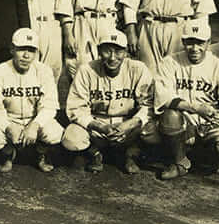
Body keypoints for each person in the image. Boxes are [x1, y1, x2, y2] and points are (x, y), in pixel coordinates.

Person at [145, 19, 219, 180]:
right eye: (190, 42)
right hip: (183, 119)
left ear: (208, 42)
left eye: (200, 43)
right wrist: (195, 108)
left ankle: (202, 154)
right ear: (183, 41)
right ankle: (180, 162)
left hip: (211, 122)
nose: (195, 48)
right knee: (162, 122)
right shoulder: (170, 62)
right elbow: (163, 98)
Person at [61, 30, 153, 174]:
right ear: (98, 51)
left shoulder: (138, 69)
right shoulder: (86, 70)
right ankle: (94, 152)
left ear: (126, 52)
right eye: (107, 51)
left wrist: (129, 125)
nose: (112, 57)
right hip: (97, 124)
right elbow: (76, 108)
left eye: (118, 51)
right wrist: (99, 127)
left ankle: (132, 153)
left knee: (155, 131)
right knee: (71, 138)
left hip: (128, 125)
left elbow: (148, 104)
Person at [0, 28, 63, 173]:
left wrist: (34, 125)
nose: (26, 55)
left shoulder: (44, 71)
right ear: (12, 50)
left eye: (31, 50)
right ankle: (7, 153)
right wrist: (7, 127)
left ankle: (40, 153)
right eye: (21, 49)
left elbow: (49, 105)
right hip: (9, 120)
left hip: (33, 119)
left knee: (55, 133)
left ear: (36, 53)